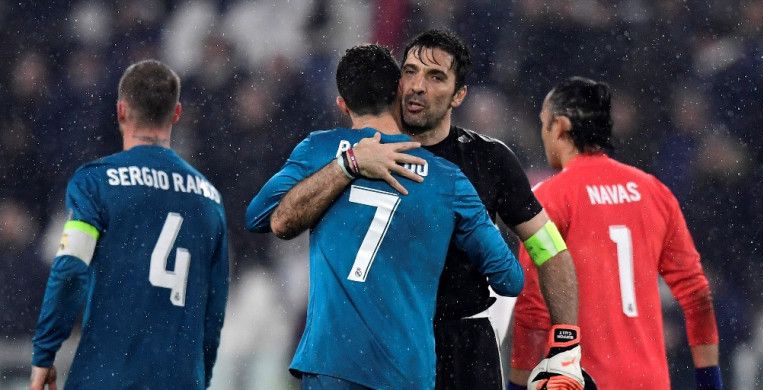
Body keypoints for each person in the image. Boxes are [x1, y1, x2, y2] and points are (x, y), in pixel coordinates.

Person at [250, 29, 584, 389]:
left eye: (435, 76)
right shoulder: (360, 151)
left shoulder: (489, 159)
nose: (418, 85)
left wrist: (566, 341)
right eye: (410, 72)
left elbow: (547, 247)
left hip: (461, 340)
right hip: (389, 346)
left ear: (459, 95)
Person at [510, 77, 722, 390]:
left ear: (561, 127)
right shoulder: (653, 191)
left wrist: (516, 385)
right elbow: (696, 293)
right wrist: (709, 380)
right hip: (650, 380)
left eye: (545, 123)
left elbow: (533, 305)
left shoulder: (548, 200)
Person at [30, 60, 229, 390]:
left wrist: (44, 354)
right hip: (178, 380)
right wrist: (200, 378)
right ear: (176, 114)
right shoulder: (209, 200)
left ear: (121, 111)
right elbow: (214, 310)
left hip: (106, 376)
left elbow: (70, 270)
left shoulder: (96, 182)